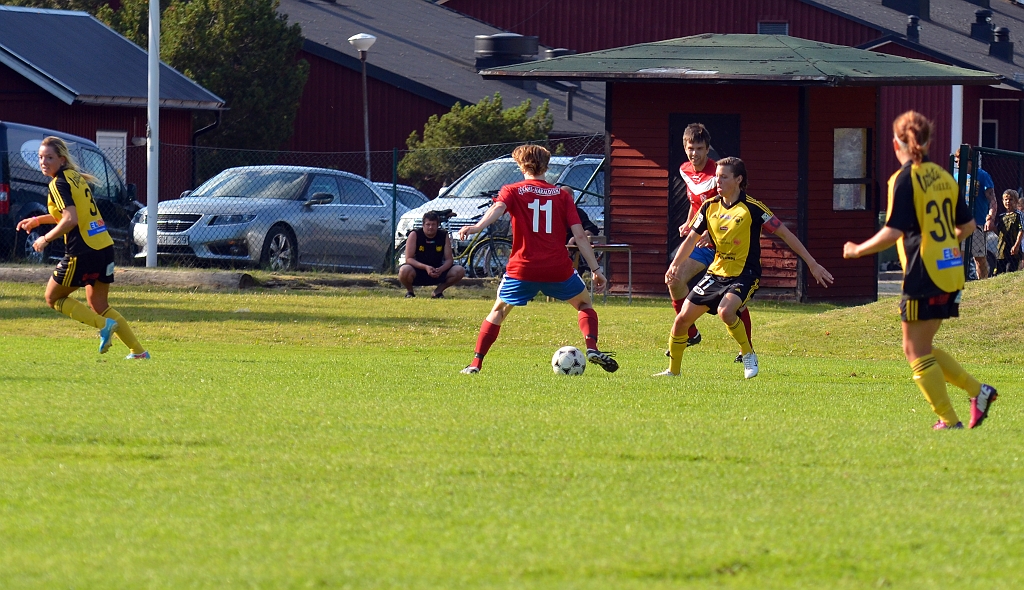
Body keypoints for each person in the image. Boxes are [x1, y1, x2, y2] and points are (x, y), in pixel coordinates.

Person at [844, 111, 997, 430]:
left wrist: (858, 249)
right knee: (922, 347)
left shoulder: (903, 178)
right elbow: (968, 227)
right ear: (928, 141)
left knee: (914, 351)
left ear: (896, 142)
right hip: (951, 270)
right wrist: (943, 242)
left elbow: (893, 231)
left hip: (923, 271)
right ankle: (977, 393)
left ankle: (950, 419)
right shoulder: (943, 176)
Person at [657, 157, 833, 379]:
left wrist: (812, 264)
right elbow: (691, 239)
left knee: (726, 311)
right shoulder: (709, 206)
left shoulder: (752, 207)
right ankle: (673, 372)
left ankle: (748, 354)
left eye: (724, 177)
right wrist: (674, 265)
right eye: (716, 176)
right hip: (717, 272)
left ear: (738, 179)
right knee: (682, 320)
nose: (717, 181)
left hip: (745, 274)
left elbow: (785, 234)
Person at [457, 144, 618, 374]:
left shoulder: (511, 190)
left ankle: (475, 364)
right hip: (557, 269)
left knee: (498, 311)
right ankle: (591, 347)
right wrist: (595, 269)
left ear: (521, 165)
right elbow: (580, 235)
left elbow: (498, 209)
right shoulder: (562, 195)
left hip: (523, 268)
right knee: (584, 304)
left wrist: (477, 227)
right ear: (546, 165)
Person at [15, 136, 149, 359]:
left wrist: (44, 239)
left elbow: (70, 219)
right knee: (99, 303)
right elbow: (68, 214)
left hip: (83, 250)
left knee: (53, 298)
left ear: (61, 159)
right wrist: (38, 220)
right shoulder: (74, 177)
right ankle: (138, 351)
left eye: (49, 157)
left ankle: (103, 325)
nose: (43, 162)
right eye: (40, 157)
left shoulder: (58, 183)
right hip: (104, 247)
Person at [668, 123, 754, 358]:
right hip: (702, 244)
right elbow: (697, 204)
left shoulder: (718, 174)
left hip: (725, 245)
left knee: (737, 302)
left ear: (708, 150)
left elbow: (726, 206)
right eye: (690, 148)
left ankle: (745, 349)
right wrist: (689, 223)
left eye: (699, 148)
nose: (694, 153)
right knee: (674, 279)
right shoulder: (685, 170)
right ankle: (690, 333)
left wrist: (710, 232)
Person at [398, 211, 466, 298]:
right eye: (428, 224)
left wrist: (441, 269)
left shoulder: (443, 235)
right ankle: (410, 292)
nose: (430, 227)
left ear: (438, 225)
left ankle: (438, 292)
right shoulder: (415, 234)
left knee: (460, 270)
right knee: (404, 270)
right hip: (418, 270)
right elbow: (409, 259)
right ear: (423, 225)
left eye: (433, 224)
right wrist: (426, 267)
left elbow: (449, 259)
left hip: (437, 270)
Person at [953, 147, 997, 279]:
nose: (957, 164)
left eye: (959, 160)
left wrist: (990, 217)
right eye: (955, 161)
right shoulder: (956, 177)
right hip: (960, 224)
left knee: (979, 258)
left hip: (977, 223)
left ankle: (982, 282)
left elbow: (992, 199)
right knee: (958, 256)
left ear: (969, 161)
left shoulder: (982, 175)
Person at [994, 189, 1022, 275]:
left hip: (1013, 249)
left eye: (1010, 199)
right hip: (1001, 250)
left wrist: (1016, 245)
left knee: (1009, 271)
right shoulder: (1001, 216)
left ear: (1016, 201)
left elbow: (1021, 230)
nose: (1008, 202)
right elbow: (998, 232)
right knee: (999, 273)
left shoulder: (1018, 215)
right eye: (1006, 199)